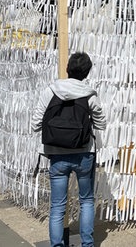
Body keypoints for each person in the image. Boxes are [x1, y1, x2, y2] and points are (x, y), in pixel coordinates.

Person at [31, 52, 105, 247]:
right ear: (87, 72)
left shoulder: (51, 90)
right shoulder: (90, 93)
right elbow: (101, 123)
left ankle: (57, 245)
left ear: (67, 68)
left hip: (56, 153)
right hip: (84, 152)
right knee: (87, 201)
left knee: (57, 206)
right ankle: (87, 244)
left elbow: (35, 123)